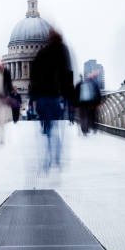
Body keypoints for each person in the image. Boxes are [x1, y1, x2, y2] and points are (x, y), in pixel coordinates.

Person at [29, 28, 74, 169]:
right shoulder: (62, 51)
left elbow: (34, 75)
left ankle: (46, 157)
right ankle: (57, 157)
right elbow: (67, 73)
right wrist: (69, 95)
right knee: (55, 127)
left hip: (42, 96)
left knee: (46, 126)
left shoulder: (42, 53)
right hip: (55, 95)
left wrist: (33, 97)